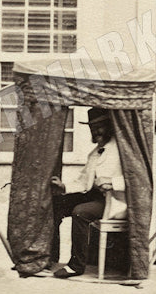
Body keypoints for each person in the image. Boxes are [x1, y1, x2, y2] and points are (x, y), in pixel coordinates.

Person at [51, 108, 126, 279]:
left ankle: (76, 266)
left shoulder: (121, 149)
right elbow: (83, 182)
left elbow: (136, 177)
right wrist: (63, 187)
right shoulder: (94, 153)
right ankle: (49, 256)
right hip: (94, 195)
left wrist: (111, 182)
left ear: (109, 126)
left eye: (99, 126)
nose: (95, 131)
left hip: (113, 200)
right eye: (92, 127)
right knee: (56, 204)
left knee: (80, 212)